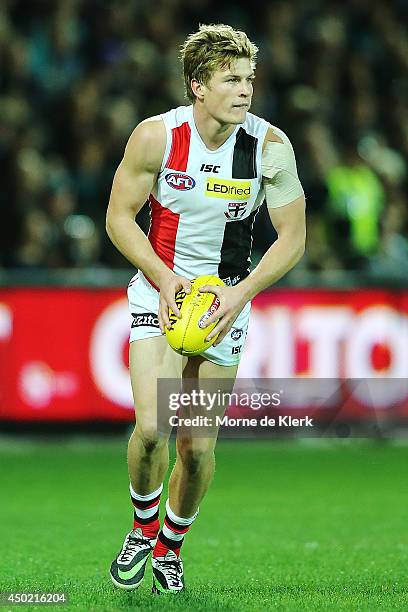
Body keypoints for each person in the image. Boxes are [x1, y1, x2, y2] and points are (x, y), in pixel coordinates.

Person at [106, 23, 306, 594]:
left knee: (196, 448)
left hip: (226, 302)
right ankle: (143, 528)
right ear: (199, 85)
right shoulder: (155, 138)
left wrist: (240, 295)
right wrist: (163, 278)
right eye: (231, 80)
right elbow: (119, 216)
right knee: (151, 427)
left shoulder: (270, 147)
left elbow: (292, 235)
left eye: (249, 79)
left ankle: (171, 544)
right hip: (161, 291)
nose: (245, 90)